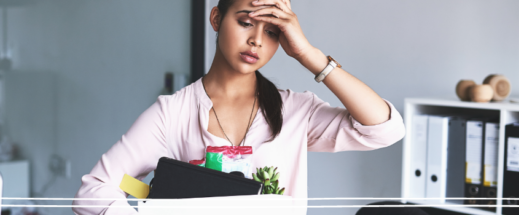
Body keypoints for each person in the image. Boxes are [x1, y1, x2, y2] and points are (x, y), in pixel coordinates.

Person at [73, 0, 408, 214]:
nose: (257, 41)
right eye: (246, 22)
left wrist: (309, 55)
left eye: (273, 31)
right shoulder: (171, 113)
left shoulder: (296, 110)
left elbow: (385, 130)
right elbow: (92, 192)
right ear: (217, 18)